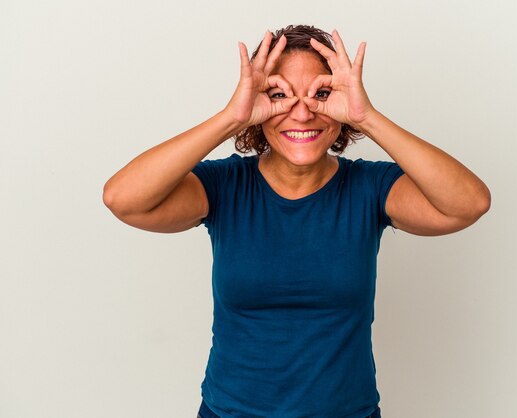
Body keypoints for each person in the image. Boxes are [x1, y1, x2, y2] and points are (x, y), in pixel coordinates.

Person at [103, 24, 490, 418]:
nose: (302, 113)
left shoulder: (370, 187)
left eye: (321, 94)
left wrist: (367, 117)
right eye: (279, 95)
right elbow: (123, 199)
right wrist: (229, 119)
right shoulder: (225, 185)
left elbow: (468, 204)